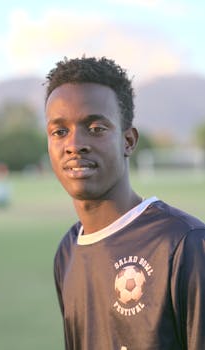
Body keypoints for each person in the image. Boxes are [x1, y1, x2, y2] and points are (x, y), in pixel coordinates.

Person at [45, 57, 205, 350]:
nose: (74, 143)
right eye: (60, 131)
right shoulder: (67, 251)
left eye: (95, 128)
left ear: (128, 141)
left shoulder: (185, 243)